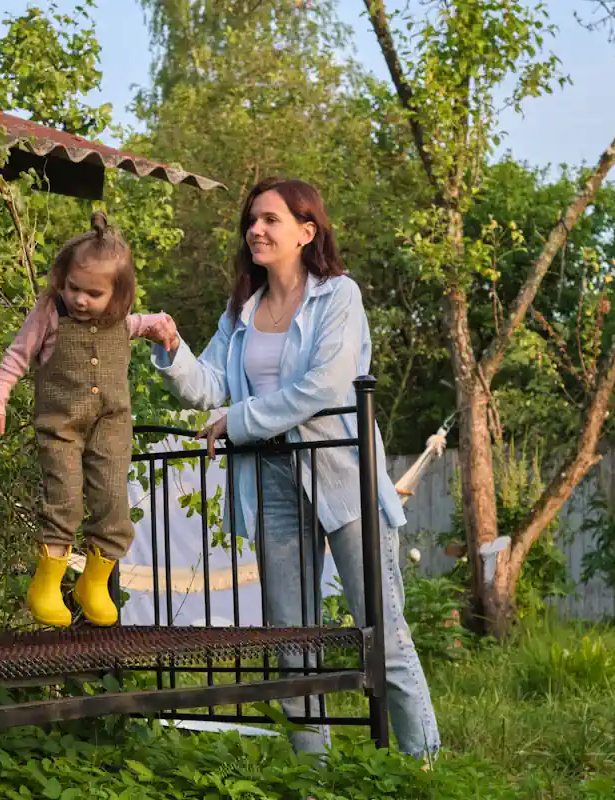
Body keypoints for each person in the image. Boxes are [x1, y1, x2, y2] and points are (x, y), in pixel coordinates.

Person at [150, 178, 440, 759]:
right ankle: (312, 774)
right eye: (251, 220)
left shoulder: (339, 297)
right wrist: (172, 346)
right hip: (272, 479)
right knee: (292, 639)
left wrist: (238, 421)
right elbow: (211, 386)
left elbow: (325, 387)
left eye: (270, 220)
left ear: (306, 232)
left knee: (381, 634)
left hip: (341, 474)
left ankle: (422, 766)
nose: (255, 229)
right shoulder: (243, 309)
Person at [0, 212, 178, 627]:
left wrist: (161, 326)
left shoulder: (119, 319)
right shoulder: (51, 313)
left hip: (111, 424)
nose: (81, 300)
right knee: (65, 501)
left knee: (112, 503)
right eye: (73, 288)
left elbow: (141, 323)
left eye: (93, 293)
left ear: (117, 296)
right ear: (61, 280)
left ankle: (93, 583)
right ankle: (47, 585)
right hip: (61, 428)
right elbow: (17, 355)